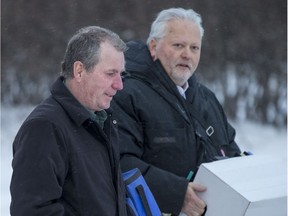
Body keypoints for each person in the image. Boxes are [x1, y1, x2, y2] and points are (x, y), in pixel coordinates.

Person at [111, 8, 241, 216]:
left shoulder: (206, 98)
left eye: (194, 47)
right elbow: (120, 163)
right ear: (153, 47)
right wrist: (176, 195)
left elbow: (231, 151)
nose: (187, 54)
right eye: (178, 45)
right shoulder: (126, 94)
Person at [10, 26, 128, 216]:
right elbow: (33, 211)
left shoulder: (102, 119)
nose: (119, 85)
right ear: (79, 71)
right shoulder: (45, 127)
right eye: (110, 74)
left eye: (121, 74)